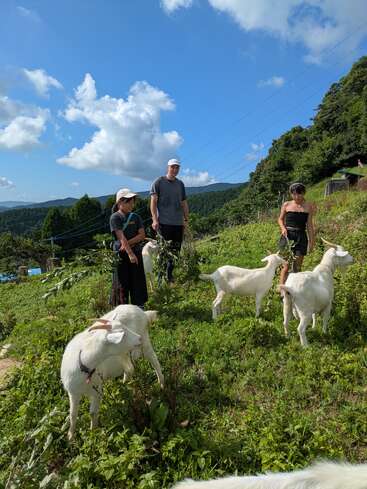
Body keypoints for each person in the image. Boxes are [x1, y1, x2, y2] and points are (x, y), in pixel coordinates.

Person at [150, 158, 189, 283]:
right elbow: (153, 203)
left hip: (178, 223)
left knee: (176, 251)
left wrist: (186, 219)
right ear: (168, 167)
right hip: (164, 223)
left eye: (177, 167)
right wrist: (154, 219)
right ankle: (160, 278)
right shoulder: (159, 182)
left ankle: (169, 276)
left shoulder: (180, 184)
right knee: (163, 251)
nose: (175, 170)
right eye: (173, 167)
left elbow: (184, 203)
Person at [110, 188, 148, 308]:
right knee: (123, 281)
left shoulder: (136, 217)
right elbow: (120, 236)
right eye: (129, 201)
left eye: (133, 201)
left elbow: (142, 235)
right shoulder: (115, 218)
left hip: (135, 251)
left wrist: (128, 245)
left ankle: (139, 306)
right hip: (121, 255)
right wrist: (129, 253)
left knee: (137, 279)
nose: (132, 204)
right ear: (120, 202)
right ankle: (123, 308)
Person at [278, 182, 316, 289]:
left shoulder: (308, 206)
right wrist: (283, 228)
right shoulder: (286, 205)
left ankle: (294, 290)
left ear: (304, 193)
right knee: (285, 266)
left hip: (301, 236)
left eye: (300, 194)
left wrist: (311, 241)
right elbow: (280, 219)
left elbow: (309, 225)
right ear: (291, 194)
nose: (297, 197)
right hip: (287, 236)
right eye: (294, 194)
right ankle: (281, 290)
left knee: (297, 267)